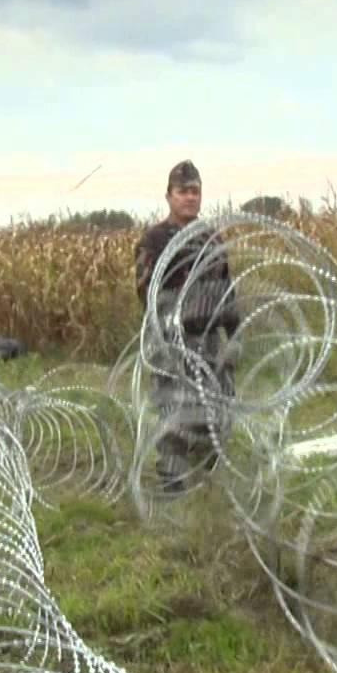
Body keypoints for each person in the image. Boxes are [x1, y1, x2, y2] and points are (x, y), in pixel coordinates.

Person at [133, 159, 239, 493]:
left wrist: (235, 336)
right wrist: (174, 326)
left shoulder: (210, 237)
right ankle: (173, 478)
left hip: (208, 339)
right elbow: (146, 292)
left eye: (195, 192)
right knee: (175, 405)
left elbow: (227, 289)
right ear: (169, 196)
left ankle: (207, 473)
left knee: (216, 404)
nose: (190, 198)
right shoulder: (155, 241)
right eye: (183, 192)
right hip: (170, 340)